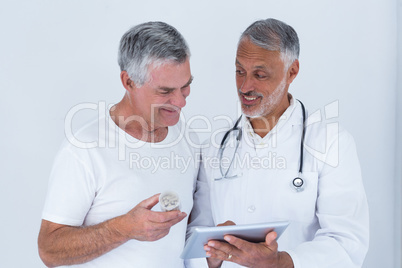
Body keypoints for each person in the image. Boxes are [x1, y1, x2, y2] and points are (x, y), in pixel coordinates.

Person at [187, 18, 369, 268]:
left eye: (259, 75)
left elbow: (348, 243)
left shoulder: (331, 143)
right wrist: (212, 256)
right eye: (240, 71)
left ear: (292, 71)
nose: (245, 86)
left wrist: (281, 262)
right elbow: (195, 235)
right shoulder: (216, 146)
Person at [38, 21, 199, 267]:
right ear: (129, 81)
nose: (180, 102)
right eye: (165, 91)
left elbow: (182, 236)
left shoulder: (188, 139)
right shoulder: (85, 148)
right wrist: (122, 229)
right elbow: (49, 250)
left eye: (186, 86)